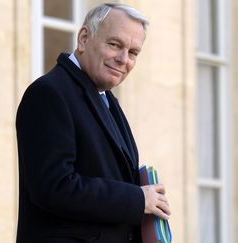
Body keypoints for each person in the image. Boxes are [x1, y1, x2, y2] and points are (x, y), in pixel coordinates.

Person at [15, 3, 171, 243]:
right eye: (115, 44)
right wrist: (138, 199)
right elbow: (54, 188)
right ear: (84, 38)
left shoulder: (106, 98)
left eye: (133, 53)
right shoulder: (48, 94)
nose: (123, 59)